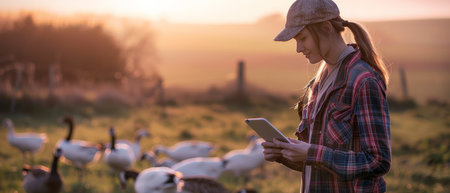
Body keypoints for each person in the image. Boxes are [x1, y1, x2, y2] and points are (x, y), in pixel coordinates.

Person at [261, 0, 391, 193]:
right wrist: (285, 154)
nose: (298, 48)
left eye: (302, 38)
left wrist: (312, 153)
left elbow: (378, 161)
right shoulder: (319, 82)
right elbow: (322, 164)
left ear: (326, 28)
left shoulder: (363, 80)